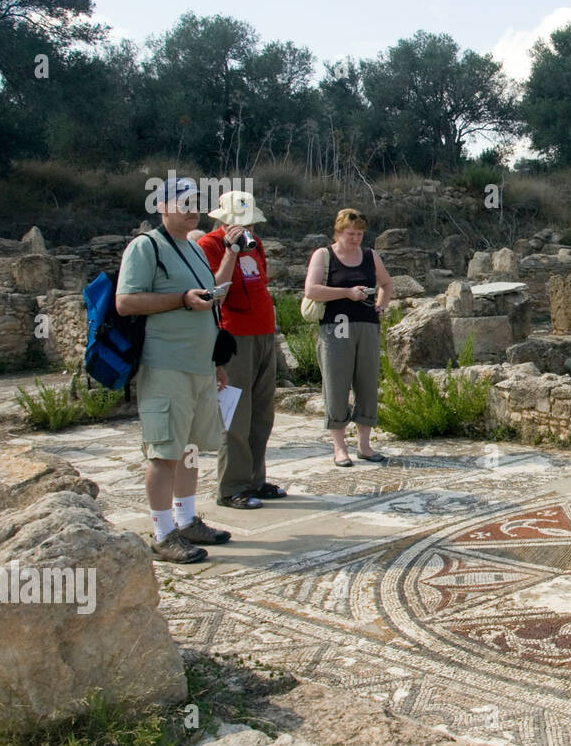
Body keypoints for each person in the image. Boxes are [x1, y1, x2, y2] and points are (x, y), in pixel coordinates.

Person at [116, 177, 233, 564]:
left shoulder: (195, 249)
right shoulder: (145, 247)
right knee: (164, 452)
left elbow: (209, 298)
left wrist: (216, 364)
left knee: (190, 449)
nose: (192, 208)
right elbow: (126, 301)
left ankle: (186, 521)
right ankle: (163, 532)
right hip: (165, 364)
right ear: (162, 207)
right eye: (183, 202)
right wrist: (181, 299)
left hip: (199, 366)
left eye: (196, 201)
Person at [198, 191, 285, 509]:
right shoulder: (208, 245)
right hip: (234, 338)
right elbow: (214, 292)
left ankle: (254, 480)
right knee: (234, 414)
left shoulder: (256, 244)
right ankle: (231, 487)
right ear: (222, 221)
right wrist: (230, 251)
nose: (247, 229)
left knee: (262, 413)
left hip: (263, 333)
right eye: (240, 223)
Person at [303, 209, 393, 467]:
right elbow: (311, 289)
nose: (356, 239)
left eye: (360, 234)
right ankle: (339, 447)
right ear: (339, 232)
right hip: (335, 328)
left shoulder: (369, 255)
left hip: (366, 326)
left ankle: (364, 445)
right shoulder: (323, 255)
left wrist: (382, 305)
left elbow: (386, 283)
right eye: (350, 234)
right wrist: (346, 293)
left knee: (367, 384)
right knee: (336, 385)